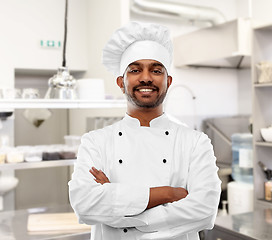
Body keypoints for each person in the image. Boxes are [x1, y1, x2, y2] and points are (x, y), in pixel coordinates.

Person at [68, 21, 221, 240]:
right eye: (135, 69)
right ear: (121, 82)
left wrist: (118, 206)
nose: (146, 77)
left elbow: (204, 211)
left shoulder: (196, 142)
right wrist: (167, 193)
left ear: (168, 81)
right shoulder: (95, 142)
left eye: (156, 70)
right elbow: (84, 205)